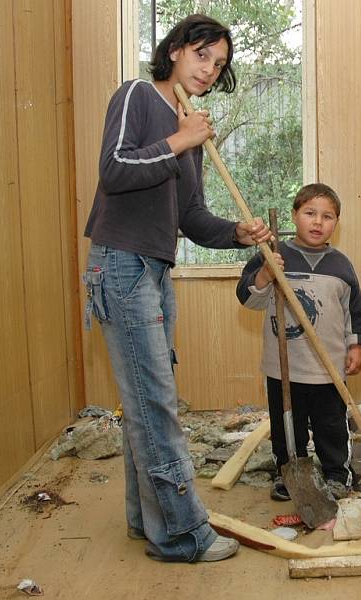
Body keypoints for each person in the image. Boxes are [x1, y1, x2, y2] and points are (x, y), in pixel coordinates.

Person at [82, 14, 272, 562]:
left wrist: (236, 232)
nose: (209, 70)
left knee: (145, 399)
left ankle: (149, 520)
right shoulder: (139, 95)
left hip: (154, 269)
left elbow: (190, 218)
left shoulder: (187, 125)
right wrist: (179, 139)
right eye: (201, 55)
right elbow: (114, 170)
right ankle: (184, 535)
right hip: (119, 263)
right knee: (157, 402)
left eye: (219, 64)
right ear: (174, 51)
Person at [237, 183, 361, 503]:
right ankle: (289, 473)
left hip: (328, 368)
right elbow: (248, 299)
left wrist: (356, 345)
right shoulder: (273, 256)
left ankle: (337, 474)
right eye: (310, 213)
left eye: (327, 216)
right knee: (287, 428)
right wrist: (266, 276)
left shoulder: (341, 265)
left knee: (331, 426)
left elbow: (356, 312)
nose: (318, 222)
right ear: (295, 215)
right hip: (283, 367)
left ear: (336, 223)